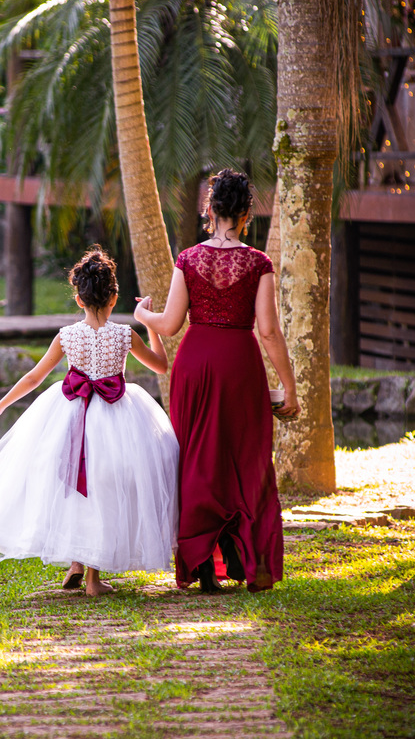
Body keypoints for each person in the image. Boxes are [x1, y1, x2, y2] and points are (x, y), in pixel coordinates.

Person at [0, 247, 179, 597]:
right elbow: (161, 366)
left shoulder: (67, 336)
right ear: (114, 296)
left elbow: (33, 378)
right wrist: (149, 324)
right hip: (118, 416)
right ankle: (91, 579)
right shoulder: (124, 335)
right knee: (103, 485)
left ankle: (76, 562)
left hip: (70, 416)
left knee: (72, 481)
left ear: (78, 298)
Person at [134, 169, 299, 593]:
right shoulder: (258, 263)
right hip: (240, 364)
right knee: (248, 459)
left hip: (196, 363)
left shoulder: (188, 259)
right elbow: (268, 330)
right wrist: (289, 386)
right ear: (246, 213)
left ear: (209, 209)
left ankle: (202, 559)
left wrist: (142, 316)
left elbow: (169, 325)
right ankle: (250, 559)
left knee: (198, 458)